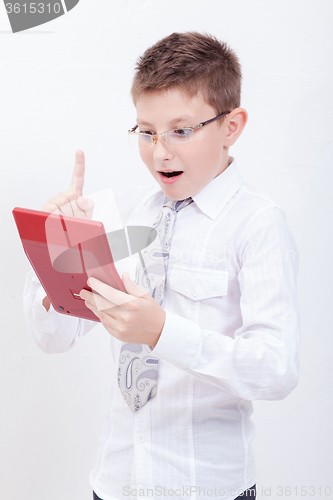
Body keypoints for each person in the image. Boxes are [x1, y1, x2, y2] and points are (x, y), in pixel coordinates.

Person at [23, 32, 300, 500]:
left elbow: (276, 370)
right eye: (146, 131)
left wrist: (161, 332)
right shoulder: (118, 212)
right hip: (116, 482)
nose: (159, 151)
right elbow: (53, 339)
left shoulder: (257, 223)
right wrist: (60, 259)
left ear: (231, 126)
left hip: (208, 487)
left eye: (181, 130)